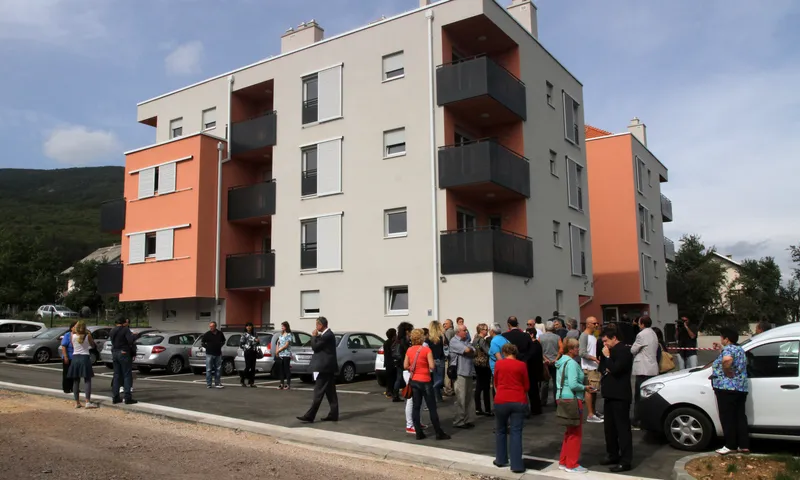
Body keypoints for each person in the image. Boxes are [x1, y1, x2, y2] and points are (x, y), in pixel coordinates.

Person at [405, 328, 451, 441]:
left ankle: (418, 433)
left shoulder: (409, 350)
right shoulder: (426, 350)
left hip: (414, 381)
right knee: (432, 408)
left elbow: (405, 365)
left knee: (416, 407)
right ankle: (438, 432)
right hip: (425, 380)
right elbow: (432, 366)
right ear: (422, 337)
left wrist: (413, 368)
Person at [600, 324, 634, 473]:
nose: (604, 344)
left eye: (606, 340)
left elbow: (616, 369)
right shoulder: (608, 351)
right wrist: (607, 362)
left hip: (620, 395)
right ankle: (612, 453)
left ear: (614, 338)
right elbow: (603, 368)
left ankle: (625, 460)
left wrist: (608, 359)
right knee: (609, 428)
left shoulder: (624, 351)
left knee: (622, 429)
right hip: (609, 393)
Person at [711, 327, 749, 455]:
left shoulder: (728, 349)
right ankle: (743, 445)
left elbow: (727, 361)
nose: (721, 339)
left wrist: (727, 372)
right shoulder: (739, 349)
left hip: (727, 388)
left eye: (722, 337)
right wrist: (721, 350)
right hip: (741, 388)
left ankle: (730, 445)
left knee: (728, 417)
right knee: (740, 416)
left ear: (726, 339)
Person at [492, 343, 529, 474]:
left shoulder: (499, 364)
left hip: (501, 398)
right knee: (516, 432)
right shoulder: (521, 365)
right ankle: (517, 464)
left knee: (500, 430)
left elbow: (495, 381)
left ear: (504, 352)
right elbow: (526, 385)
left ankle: (501, 459)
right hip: (518, 399)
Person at [556, 338, 591, 474]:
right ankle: (572, 463)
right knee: (575, 433)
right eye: (576, 348)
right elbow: (573, 384)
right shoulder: (571, 363)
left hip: (563, 398)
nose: (578, 350)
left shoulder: (562, 362)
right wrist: (585, 387)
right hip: (573, 399)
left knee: (569, 432)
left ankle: (564, 461)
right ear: (570, 349)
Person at [297, 316, 339, 423]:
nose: (316, 327)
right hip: (327, 367)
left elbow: (315, 347)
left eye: (317, 325)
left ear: (321, 325)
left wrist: (313, 336)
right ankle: (333, 414)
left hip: (325, 367)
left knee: (318, 391)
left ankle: (310, 415)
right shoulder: (326, 335)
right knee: (331, 393)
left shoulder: (327, 335)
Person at [505, 316, 539, 416]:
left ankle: (513, 409)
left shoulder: (505, 336)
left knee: (512, 387)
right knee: (525, 387)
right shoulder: (525, 336)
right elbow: (532, 350)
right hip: (524, 364)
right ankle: (527, 409)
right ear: (518, 324)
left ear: (508, 324)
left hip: (510, 364)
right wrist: (524, 359)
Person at [630, 316, 659, 428]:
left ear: (642, 324)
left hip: (643, 368)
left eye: (639, 323)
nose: (638, 324)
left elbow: (633, 349)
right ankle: (649, 417)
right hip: (652, 367)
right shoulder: (653, 333)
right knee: (650, 395)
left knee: (639, 396)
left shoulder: (641, 335)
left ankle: (638, 419)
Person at [450, 324, 476, 428]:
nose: (466, 332)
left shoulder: (466, 341)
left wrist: (470, 351)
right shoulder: (454, 341)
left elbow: (474, 351)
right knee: (461, 398)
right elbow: (468, 350)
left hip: (469, 372)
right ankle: (459, 421)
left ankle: (467, 419)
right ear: (458, 332)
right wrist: (469, 351)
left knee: (469, 398)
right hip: (460, 373)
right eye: (464, 330)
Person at [68, 321, 98, 409]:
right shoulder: (88, 336)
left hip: (75, 357)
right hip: (85, 357)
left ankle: (76, 402)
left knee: (76, 381)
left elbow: (73, 345)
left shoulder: (72, 336)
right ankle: (87, 401)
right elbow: (93, 345)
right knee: (87, 380)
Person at [579, 317, 603, 423]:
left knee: (594, 391)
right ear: (588, 324)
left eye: (597, 323)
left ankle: (593, 411)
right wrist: (595, 359)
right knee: (590, 390)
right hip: (589, 368)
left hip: (594, 367)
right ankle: (590, 414)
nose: (596, 325)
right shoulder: (584, 336)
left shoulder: (593, 335)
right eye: (594, 323)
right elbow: (582, 353)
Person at [109, 316, 137, 404]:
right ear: (123, 322)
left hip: (115, 352)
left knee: (117, 375)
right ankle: (127, 397)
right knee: (127, 375)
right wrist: (135, 336)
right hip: (124, 352)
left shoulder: (112, 330)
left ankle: (115, 396)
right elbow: (130, 341)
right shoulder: (125, 329)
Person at [539, 321, 563, 407]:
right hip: (555, 362)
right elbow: (561, 349)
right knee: (556, 382)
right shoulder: (557, 337)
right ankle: (556, 401)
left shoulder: (540, 337)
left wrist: (545, 359)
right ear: (553, 328)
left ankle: (543, 401)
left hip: (545, 362)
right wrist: (556, 359)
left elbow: (539, 350)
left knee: (545, 382)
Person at [473, 323, 492, 416]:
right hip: (484, 365)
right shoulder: (482, 341)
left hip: (477, 364)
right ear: (481, 330)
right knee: (486, 387)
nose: (487, 331)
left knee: (478, 386)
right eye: (485, 329)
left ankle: (478, 408)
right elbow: (488, 351)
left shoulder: (475, 340)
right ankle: (487, 409)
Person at [393, 322, 413, 403]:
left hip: (399, 361)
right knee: (401, 378)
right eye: (411, 330)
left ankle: (395, 394)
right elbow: (406, 351)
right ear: (407, 331)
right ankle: (398, 395)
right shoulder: (404, 340)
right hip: (402, 362)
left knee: (399, 378)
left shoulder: (398, 339)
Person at [428, 321, 446, 403]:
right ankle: (434, 394)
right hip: (439, 360)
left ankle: (437, 397)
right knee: (440, 380)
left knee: (435, 379)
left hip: (432, 360)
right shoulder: (441, 337)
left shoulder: (428, 338)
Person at [239, 322, 260, 388]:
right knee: (248, 367)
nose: (248, 327)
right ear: (245, 327)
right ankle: (242, 380)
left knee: (253, 368)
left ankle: (252, 382)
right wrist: (247, 347)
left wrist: (257, 341)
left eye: (250, 326)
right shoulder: (244, 335)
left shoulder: (255, 334)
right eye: (247, 326)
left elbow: (258, 342)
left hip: (254, 352)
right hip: (247, 352)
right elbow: (241, 345)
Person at [60, 321, 78, 394]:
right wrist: (66, 356)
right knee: (67, 373)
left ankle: (74, 388)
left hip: (76, 357)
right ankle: (66, 388)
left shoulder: (78, 336)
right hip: (68, 356)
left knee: (75, 374)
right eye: (76, 327)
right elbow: (64, 346)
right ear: (72, 328)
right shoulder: (67, 335)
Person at [274, 322, 292, 390]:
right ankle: (281, 383)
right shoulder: (281, 335)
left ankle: (288, 384)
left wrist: (279, 350)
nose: (282, 327)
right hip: (280, 354)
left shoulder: (289, 335)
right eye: (282, 326)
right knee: (281, 370)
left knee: (286, 369)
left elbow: (286, 345)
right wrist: (277, 351)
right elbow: (278, 343)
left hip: (286, 354)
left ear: (286, 327)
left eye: (283, 326)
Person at [442, 319, 456, 396]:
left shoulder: (448, 332)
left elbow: (445, 344)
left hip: (448, 355)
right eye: (444, 324)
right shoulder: (454, 331)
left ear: (451, 324)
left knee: (447, 373)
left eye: (446, 324)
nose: (444, 325)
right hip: (453, 354)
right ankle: (453, 388)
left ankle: (448, 390)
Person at [383, 328, 397, 399]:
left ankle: (389, 391)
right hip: (391, 363)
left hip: (387, 362)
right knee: (392, 378)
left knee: (389, 378)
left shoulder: (386, 342)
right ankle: (390, 392)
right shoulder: (392, 343)